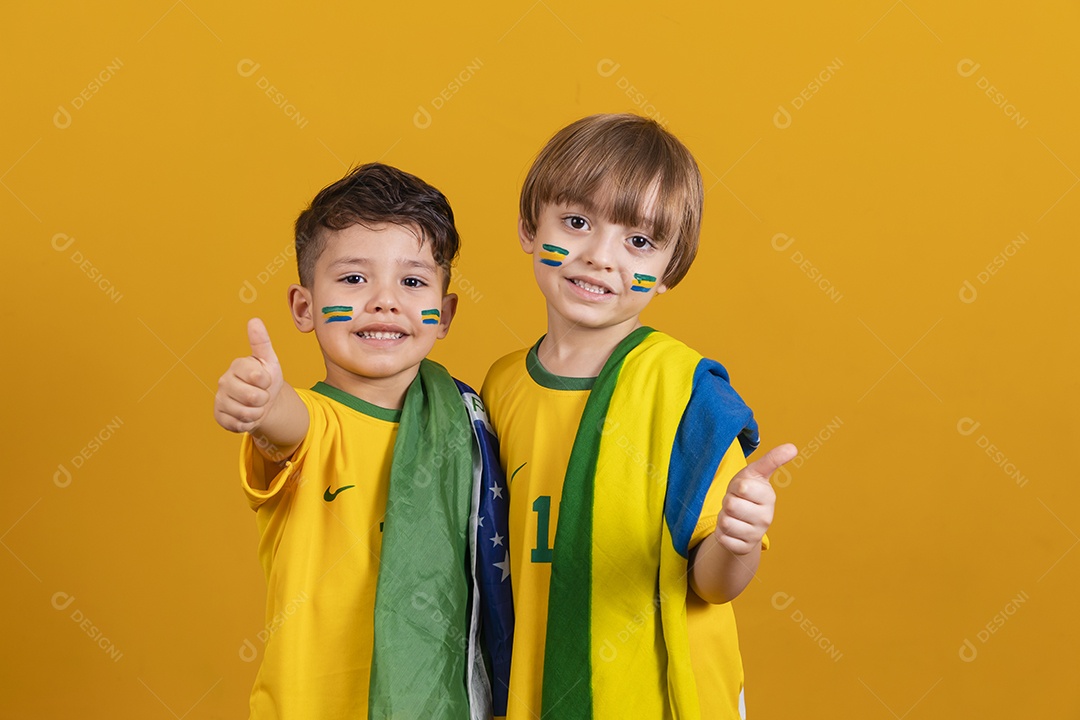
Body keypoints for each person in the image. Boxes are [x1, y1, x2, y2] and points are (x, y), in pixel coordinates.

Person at [481, 114, 796, 720]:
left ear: (670, 270)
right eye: (576, 223)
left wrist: (738, 538)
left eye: (640, 242)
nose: (601, 257)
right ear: (528, 226)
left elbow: (713, 584)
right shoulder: (500, 387)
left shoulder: (685, 394)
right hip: (534, 693)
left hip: (653, 698)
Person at [214, 163, 512, 720]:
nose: (384, 301)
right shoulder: (314, 425)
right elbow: (284, 424)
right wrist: (260, 400)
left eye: (414, 281)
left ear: (444, 315)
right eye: (354, 279)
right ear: (304, 307)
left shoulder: (470, 424)